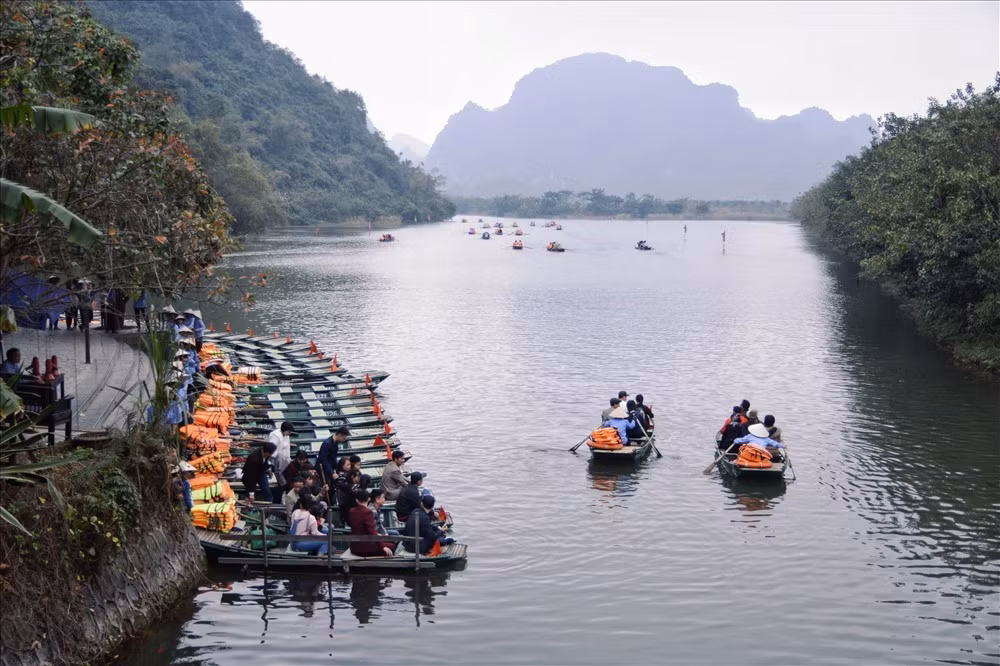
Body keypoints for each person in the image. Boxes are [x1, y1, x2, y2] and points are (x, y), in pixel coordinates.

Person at [347, 490, 396, 557]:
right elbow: (372, 532)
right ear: (368, 499)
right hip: (366, 547)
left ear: (357, 500)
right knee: (392, 546)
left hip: (355, 547)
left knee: (389, 542)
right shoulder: (367, 512)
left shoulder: (351, 511)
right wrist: (383, 547)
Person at [268, 422, 295, 488]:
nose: (290, 433)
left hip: (284, 459)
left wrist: (288, 459)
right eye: (289, 431)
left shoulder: (287, 436)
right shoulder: (275, 436)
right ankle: (284, 487)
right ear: (285, 430)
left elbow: (287, 448)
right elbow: (271, 450)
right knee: (279, 473)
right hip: (276, 459)